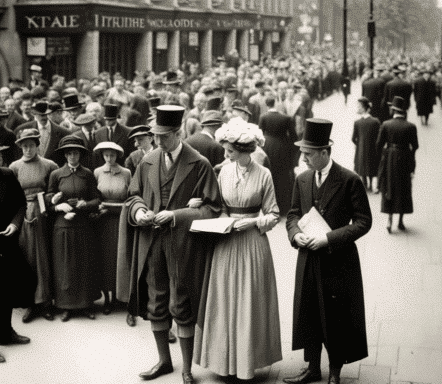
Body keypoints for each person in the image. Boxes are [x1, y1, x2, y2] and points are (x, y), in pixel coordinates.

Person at [118, 105, 221, 384]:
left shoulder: (199, 164)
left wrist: (177, 215)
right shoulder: (148, 160)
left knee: (182, 303)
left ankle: (187, 369)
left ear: (178, 133)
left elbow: (213, 209)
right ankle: (164, 361)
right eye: (155, 136)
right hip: (152, 242)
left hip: (183, 245)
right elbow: (133, 195)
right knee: (156, 300)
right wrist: (138, 211)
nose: (158, 142)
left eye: (164, 136)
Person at [194, 116, 282, 380]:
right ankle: (224, 362)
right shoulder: (224, 172)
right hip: (226, 242)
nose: (224, 154)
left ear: (243, 150)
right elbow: (219, 208)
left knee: (248, 301)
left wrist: (254, 222)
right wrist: (220, 218)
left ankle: (246, 363)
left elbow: (274, 214)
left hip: (253, 244)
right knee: (224, 300)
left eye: (229, 150)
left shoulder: (264, 174)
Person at [284, 118, 372, 384]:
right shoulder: (302, 179)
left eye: (308, 154)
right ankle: (312, 367)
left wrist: (330, 239)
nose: (303, 158)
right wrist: (295, 234)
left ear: (325, 152)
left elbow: (364, 221)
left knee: (336, 315)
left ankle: (335, 369)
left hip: (338, 260)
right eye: (303, 153)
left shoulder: (349, 180)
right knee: (308, 311)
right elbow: (293, 215)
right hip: (308, 258)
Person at [47, 135, 101, 322]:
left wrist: (84, 204)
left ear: (80, 154)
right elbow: (47, 198)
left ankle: (86, 305)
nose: (72, 156)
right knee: (65, 266)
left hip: (83, 225)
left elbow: (97, 199)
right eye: (69, 153)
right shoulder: (56, 174)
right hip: (62, 226)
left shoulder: (87, 174)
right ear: (64, 155)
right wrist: (57, 206)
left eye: (75, 153)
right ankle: (66, 306)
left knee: (83, 264)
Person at [9, 129, 58, 323]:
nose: (27, 149)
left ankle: (46, 302)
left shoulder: (49, 165)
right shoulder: (14, 167)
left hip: (44, 213)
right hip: (22, 214)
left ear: (38, 145)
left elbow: (55, 190)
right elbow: (11, 195)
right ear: (20, 147)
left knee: (44, 256)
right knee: (27, 258)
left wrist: (47, 202)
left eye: (31, 145)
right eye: (24, 145)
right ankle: (30, 302)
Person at [0, 164, 35, 363]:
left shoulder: (7, 175)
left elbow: (20, 203)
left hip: (7, 241)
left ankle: (5, 333)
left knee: (6, 288)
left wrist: (15, 224)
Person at [93, 142, 131, 315]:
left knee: (119, 258)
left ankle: (120, 296)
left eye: (112, 155)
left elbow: (130, 197)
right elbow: (94, 196)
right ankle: (107, 298)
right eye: (106, 155)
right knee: (106, 258)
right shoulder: (97, 172)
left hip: (120, 220)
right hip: (104, 222)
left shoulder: (126, 173)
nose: (109, 159)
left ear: (118, 156)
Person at [376, 96, 418, 233]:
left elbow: (378, 145)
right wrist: (412, 165)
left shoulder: (386, 124)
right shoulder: (411, 126)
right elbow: (415, 146)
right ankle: (400, 221)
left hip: (390, 158)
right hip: (405, 158)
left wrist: (385, 154)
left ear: (393, 109)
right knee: (404, 188)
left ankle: (389, 220)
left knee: (389, 186)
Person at [259, 95, 297, 216]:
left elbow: (260, 134)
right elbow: (294, 137)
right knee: (283, 178)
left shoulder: (263, 117)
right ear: (275, 103)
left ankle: (270, 207)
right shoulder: (286, 118)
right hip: (283, 149)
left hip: (267, 148)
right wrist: (291, 152)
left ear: (266, 105)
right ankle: (284, 206)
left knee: (270, 177)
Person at [352, 97, 381, 192]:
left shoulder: (357, 122)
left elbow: (353, 138)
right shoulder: (375, 121)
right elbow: (379, 137)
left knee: (362, 166)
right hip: (372, 149)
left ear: (364, 108)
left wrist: (359, 144)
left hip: (361, 149)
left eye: (359, 106)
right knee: (372, 165)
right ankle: (372, 183)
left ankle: (365, 184)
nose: (358, 108)